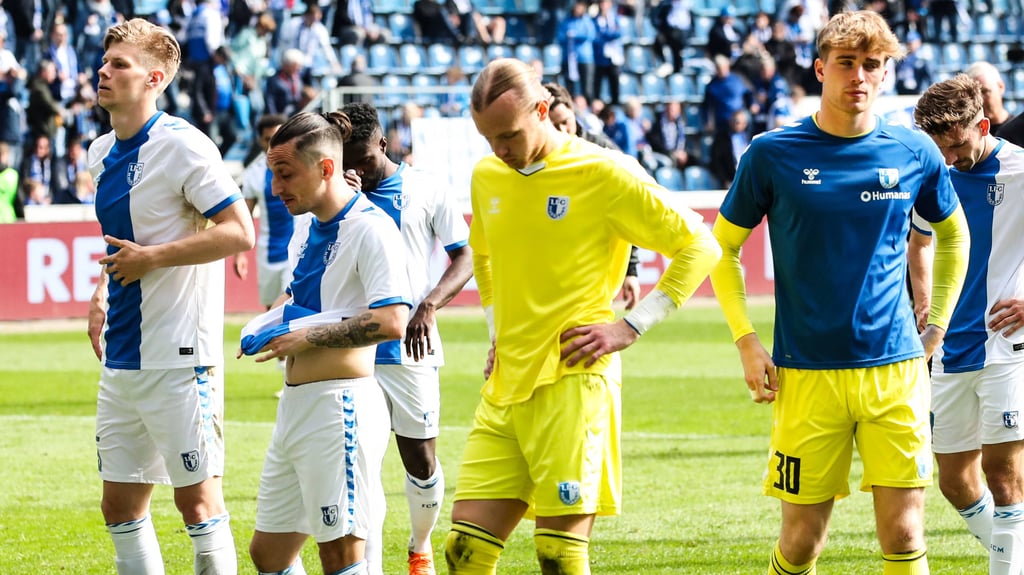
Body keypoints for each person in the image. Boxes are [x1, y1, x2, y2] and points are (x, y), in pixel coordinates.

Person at [708, 11, 970, 575]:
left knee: (904, 534)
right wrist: (746, 341)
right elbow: (721, 250)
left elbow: (953, 233)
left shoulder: (914, 151)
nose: (859, 76)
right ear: (821, 68)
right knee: (803, 542)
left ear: (884, 72)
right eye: (847, 63)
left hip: (896, 370)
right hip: (807, 375)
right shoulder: (772, 154)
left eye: (872, 65)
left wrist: (938, 325)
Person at [443, 57, 722, 574]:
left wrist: (630, 326)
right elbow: (483, 256)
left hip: (573, 381)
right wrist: (496, 332)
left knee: (558, 554)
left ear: (544, 110)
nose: (498, 151)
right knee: (464, 552)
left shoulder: (604, 172)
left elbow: (701, 244)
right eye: (488, 139)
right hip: (506, 383)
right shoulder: (488, 176)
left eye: (508, 135)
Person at [86, 17, 255, 575]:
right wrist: (101, 292)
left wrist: (150, 260)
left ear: (155, 78)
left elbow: (238, 231)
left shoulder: (184, 145)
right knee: (119, 504)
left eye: (120, 64)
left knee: (197, 502)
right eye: (105, 61)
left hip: (181, 356)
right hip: (124, 357)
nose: (104, 71)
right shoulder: (99, 151)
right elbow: (125, 241)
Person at [240, 110, 411, 575]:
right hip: (297, 407)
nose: (275, 189)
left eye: (285, 174)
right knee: (269, 553)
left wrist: (305, 336)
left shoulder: (371, 228)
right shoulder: (306, 225)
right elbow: (300, 294)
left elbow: (394, 319)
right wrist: (268, 322)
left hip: (341, 408)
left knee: (341, 555)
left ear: (326, 168)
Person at [340, 101, 474, 575]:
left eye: (364, 159)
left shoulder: (427, 188)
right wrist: (345, 203)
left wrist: (430, 304)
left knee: (420, 461)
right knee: (359, 464)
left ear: (384, 143)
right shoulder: (336, 193)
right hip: (353, 348)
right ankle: (368, 564)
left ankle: (420, 545)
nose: (357, 169)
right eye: (347, 161)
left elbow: (465, 257)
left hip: (411, 348)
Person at [912, 73, 1024, 575]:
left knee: (1004, 477)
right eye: (941, 148)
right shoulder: (932, 173)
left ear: (983, 123)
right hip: (951, 347)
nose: (950, 157)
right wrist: (924, 303)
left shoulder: (1021, 171)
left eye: (957, 144)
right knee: (954, 481)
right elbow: (920, 243)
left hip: (1007, 344)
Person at [545, 80, 642, 310]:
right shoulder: (539, 160)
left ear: (574, 114)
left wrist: (631, 270)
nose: (561, 131)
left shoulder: (604, 153)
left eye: (565, 122)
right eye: (553, 125)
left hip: (596, 269)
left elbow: (629, 207)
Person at [234, 114, 293, 311]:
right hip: (268, 252)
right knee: (270, 311)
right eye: (268, 139)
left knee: (292, 307)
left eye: (278, 137)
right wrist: (239, 254)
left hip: (297, 250)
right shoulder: (254, 173)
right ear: (260, 140)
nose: (273, 144)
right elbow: (245, 215)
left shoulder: (300, 166)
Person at [966, 62, 1016, 139]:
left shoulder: (1019, 131)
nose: (980, 100)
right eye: (973, 94)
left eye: (985, 91)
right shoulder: (969, 138)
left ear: (1001, 87)